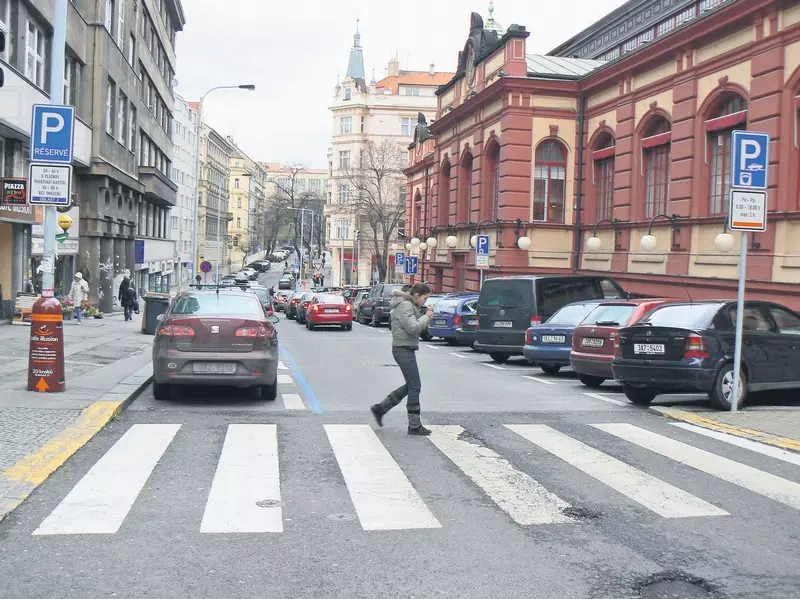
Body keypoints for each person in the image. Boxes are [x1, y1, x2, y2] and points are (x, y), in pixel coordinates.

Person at [371, 283, 432, 435]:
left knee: (411, 385)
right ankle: (414, 425)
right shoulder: (405, 305)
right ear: (416, 295)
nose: (426, 301)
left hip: (405, 348)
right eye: (425, 298)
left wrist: (424, 314)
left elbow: (415, 324)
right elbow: (413, 327)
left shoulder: (408, 304)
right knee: (415, 386)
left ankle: (381, 408)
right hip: (402, 349)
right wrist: (426, 316)